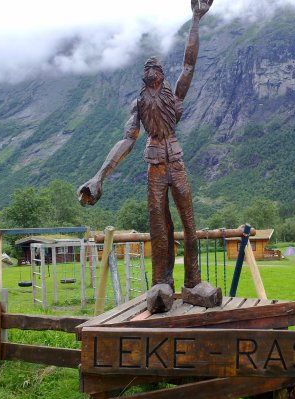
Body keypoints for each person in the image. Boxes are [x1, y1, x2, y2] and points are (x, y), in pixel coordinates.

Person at [77, 0, 220, 313]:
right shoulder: (139, 105)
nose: (148, 71)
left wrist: (195, 20)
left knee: (189, 222)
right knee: (158, 224)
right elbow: (128, 139)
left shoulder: (175, 97)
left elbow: (189, 64)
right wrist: (99, 176)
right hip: (155, 166)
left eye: (153, 69)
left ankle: (193, 282)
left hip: (177, 163)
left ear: (162, 76)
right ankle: (161, 283)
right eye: (145, 69)